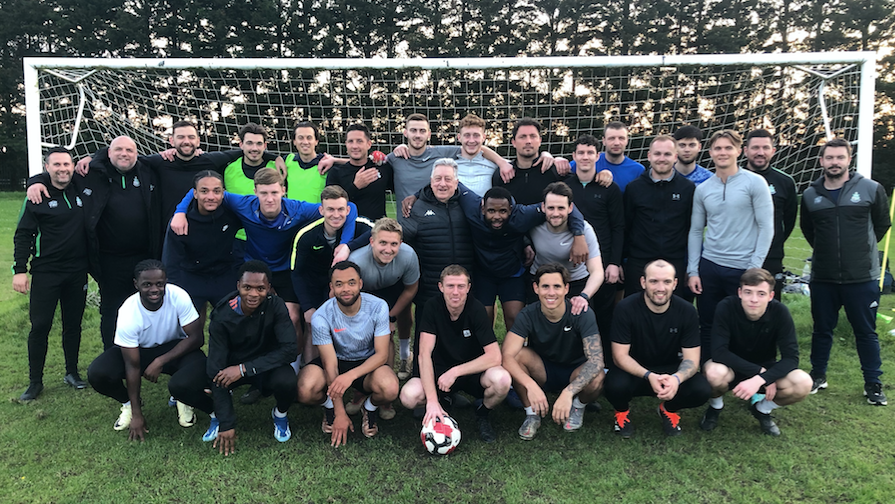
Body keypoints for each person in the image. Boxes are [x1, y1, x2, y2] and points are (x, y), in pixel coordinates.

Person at [170, 168, 359, 369]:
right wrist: (180, 212)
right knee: (249, 317)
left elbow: (350, 207)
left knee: (293, 316)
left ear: (283, 191)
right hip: (254, 270)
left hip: (285, 269)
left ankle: (293, 368)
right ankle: (251, 366)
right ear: (255, 192)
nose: (269, 199)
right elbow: (198, 190)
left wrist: (345, 244)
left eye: (274, 193)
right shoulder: (242, 204)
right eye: (264, 193)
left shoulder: (297, 209)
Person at [27, 136, 161, 350]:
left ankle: (146, 355)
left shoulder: (149, 171)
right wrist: (35, 181)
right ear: (109, 152)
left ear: (137, 154)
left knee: (147, 307)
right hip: (109, 259)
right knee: (111, 310)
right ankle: (113, 356)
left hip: (145, 258)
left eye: (129, 150)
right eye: (118, 149)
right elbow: (60, 176)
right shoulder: (91, 173)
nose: (124, 154)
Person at [800, 138, 891, 406]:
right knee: (822, 329)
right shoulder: (809, 194)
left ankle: (873, 383)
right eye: (829, 158)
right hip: (823, 277)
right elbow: (809, 231)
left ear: (849, 160)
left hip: (861, 277)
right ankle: (817, 375)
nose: (835, 162)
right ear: (821, 161)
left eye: (840, 157)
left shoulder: (871, 189)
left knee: (866, 331)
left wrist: (860, 252)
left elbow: (881, 225)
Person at [86, 260, 212, 441]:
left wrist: (161, 361)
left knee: (196, 369)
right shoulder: (128, 312)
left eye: (159, 284)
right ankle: (129, 404)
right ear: (136, 284)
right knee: (98, 372)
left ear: (165, 282)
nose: (154, 289)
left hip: (175, 347)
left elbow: (196, 338)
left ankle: (183, 398)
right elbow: (132, 365)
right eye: (147, 284)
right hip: (140, 350)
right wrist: (137, 415)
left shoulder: (178, 296)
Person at [687, 129, 774, 363]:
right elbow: (696, 230)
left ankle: (749, 377)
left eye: (728, 148)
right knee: (708, 322)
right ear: (710, 152)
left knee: (744, 324)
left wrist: (754, 268)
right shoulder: (703, 188)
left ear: (739, 151)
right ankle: (709, 375)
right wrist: (694, 270)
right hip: (711, 267)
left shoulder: (755, 183)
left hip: (743, 268)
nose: (722, 152)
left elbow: (767, 227)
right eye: (718, 148)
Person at [400, 264, 510, 442]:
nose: (456, 292)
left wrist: (456, 371)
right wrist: (432, 401)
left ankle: (482, 413)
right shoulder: (431, 307)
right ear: (441, 287)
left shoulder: (477, 309)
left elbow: (495, 356)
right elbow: (423, 355)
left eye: (461, 286)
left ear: (468, 287)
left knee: (502, 380)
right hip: (439, 372)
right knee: (409, 396)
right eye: (450, 286)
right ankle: (442, 401)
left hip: (471, 372)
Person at [14, 147, 90, 400]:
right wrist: (20, 270)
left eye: (66, 164)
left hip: (77, 271)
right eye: (56, 165)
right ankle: (35, 381)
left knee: (73, 324)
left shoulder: (80, 190)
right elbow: (23, 234)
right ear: (47, 168)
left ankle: (72, 372)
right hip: (46, 271)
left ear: (72, 166)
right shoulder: (37, 195)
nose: (62, 169)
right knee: (41, 325)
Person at [296, 262, 399, 446]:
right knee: (305, 390)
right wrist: (339, 412)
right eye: (339, 284)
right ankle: (328, 405)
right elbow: (330, 364)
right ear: (332, 287)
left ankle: (370, 406)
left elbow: (382, 355)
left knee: (390, 388)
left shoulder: (378, 306)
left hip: (368, 362)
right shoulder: (321, 316)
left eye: (351, 283)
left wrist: (350, 376)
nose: (346, 289)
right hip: (337, 359)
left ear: (360, 283)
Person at [202, 261, 299, 453]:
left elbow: (289, 350)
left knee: (288, 381)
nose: (253, 294)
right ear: (238, 286)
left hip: (262, 366)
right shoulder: (221, 315)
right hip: (230, 369)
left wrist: (243, 369)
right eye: (247, 287)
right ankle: (217, 416)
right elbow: (215, 366)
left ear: (269, 288)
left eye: (260, 288)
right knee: (191, 383)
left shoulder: (277, 306)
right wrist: (227, 422)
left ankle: (280, 414)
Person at [701, 268, 812, 436]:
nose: (753, 299)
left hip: (764, 368)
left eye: (761, 294)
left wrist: (762, 378)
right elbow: (718, 352)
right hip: (729, 366)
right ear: (739, 292)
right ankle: (715, 407)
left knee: (803, 383)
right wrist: (760, 373)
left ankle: (762, 410)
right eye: (748, 292)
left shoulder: (780, 312)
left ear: (770, 296)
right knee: (713, 373)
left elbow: (791, 358)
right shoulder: (726, 306)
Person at [606, 260, 710, 437]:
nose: (660, 288)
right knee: (613, 386)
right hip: (634, 369)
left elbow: (692, 360)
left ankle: (668, 409)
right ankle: (622, 412)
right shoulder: (626, 308)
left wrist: (676, 379)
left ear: (675, 284)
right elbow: (619, 356)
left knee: (701, 390)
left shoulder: (687, 311)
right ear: (643, 282)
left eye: (667, 282)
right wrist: (649, 376)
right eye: (654, 281)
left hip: (670, 369)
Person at [501, 264, 605, 440]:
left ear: (566, 288)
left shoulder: (581, 313)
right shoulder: (527, 314)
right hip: (543, 370)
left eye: (557, 286)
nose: (551, 293)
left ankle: (577, 407)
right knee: (517, 356)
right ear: (536, 288)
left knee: (598, 375)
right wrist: (530, 385)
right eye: (545, 286)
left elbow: (597, 361)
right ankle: (531, 414)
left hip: (574, 371)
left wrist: (569, 393)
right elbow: (507, 356)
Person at [291, 185, 374, 358]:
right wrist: (307, 307)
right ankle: (310, 370)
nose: (336, 215)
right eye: (330, 209)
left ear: (348, 210)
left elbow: (378, 230)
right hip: (314, 285)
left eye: (340, 209)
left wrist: (348, 247)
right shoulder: (306, 234)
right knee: (313, 324)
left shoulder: (360, 226)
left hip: (344, 286)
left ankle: (349, 363)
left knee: (347, 324)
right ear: (321, 210)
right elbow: (297, 273)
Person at [529, 181, 605, 349]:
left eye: (561, 208)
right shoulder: (533, 225)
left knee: (576, 337)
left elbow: (597, 271)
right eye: (551, 208)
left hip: (576, 283)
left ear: (571, 208)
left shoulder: (584, 230)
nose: (555, 213)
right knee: (540, 334)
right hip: (541, 283)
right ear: (543, 207)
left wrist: (584, 296)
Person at [162, 171, 242, 328]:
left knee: (231, 326)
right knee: (188, 330)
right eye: (204, 191)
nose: (211, 196)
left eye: (216, 191)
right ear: (195, 194)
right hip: (191, 276)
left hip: (224, 275)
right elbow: (171, 262)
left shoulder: (233, 214)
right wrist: (173, 293)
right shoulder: (180, 222)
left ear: (223, 193)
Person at [562, 135, 622, 343]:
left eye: (590, 153)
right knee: (573, 311)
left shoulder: (609, 189)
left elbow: (618, 227)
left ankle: (603, 364)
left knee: (604, 314)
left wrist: (614, 263)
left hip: (602, 259)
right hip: (572, 260)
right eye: (581, 153)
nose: (585, 157)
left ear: (598, 156)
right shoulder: (564, 187)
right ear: (574, 156)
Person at [623, 135, 696, 300]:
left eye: (667, 154)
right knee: (635, 309)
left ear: (675, 157)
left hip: (674, 261)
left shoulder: (688, 189)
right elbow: (626, 225)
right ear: (649, 156)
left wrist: (689, 267)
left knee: (672, 311)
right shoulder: (634, 188)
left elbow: (691, 228)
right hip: (639, 261)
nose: (662, 159)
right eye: (657, 154)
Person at [348, 217, 420, 381]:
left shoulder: (408, 255)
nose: (388, 249)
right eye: (383, 243)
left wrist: (390, 317)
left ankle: (404, 356)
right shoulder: (356, 261)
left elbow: (411, 289)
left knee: (402, 317)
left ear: (400, 243)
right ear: (372, 241)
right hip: (364, 291)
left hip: (394, 286)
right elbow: (350, 296)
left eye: (394, 244)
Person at [389, 113, 511, 206]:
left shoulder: (493, 165)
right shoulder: (396, 157)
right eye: (413, 131)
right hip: (424, 223)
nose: (471, 140)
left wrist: (501, 162)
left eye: (422, 131)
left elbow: (475, 147)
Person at [743, 129, 797, 299]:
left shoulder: (785, 182)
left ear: (773, 151)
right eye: (755, 148)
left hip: (771, 257)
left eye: (765, 148)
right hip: (737, 255)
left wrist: (772, 243)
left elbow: (788, 221)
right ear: (745, 150)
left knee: (770, 307)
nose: (760, 152)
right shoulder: (732, 178)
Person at [491, 118, 570, 205]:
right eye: (522, 137)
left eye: (533, 136)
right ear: (513, 142)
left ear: (540, 141)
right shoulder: (502, 174)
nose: (528, 141)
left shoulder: (555, 170)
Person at [325, 123, 393, 219]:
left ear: (369, 144)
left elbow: (400, 186)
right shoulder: (336, 172)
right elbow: (330, 203)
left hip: (376, 229)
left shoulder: (382, 167)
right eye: (350, 141)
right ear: (346, 145)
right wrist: (355, 186)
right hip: (347, 228)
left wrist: (402, 147)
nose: (355, 146)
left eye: (359, 141)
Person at [284, 121, 331, 203]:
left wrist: (336, 160)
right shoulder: (288, 160)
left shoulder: (326, 163)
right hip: (293, 215)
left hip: (318, 215)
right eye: (300, 138)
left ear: (316, 141)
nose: (305, 142)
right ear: (294, 141)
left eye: (309, 138)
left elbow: (355, 163)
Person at [594, 121, 644, 192]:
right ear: (604, 141)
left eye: (621, 138)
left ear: (627, 140)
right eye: (611, 138)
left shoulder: (638, 170)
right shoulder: (590, 162)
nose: (616, 143)